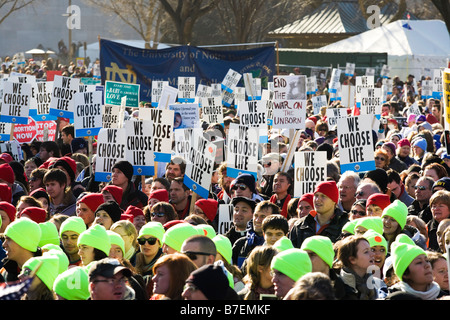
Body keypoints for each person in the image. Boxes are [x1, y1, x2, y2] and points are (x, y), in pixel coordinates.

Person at [289, 181, 349, 248]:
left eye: (323, 196)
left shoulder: (345, 226)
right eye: (316, 195)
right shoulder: (299, 226)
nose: (317, 200)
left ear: (334, 201)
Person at [232, 200, 280, 269]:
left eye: (263, 216)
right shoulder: (240, 244)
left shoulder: (277, 245)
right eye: (256, 215)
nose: (257, 220)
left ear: (273, 219)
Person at [333, 235, 377, 300]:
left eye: (371, 250)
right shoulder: (338, 288)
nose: (373, 254)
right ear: (352, 260)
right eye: (366, 252)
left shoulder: (377, 284)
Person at [1, 218, 42, 282]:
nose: (4, 244)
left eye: (8, 239)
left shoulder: (42, 276)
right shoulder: (5, 271)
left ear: (24, 242)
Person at [134, 221, 165, 296]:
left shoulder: (165, 265)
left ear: (159, 244)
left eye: (151, 241)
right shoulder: (133, 261)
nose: (146, 244)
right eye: (142, 240)